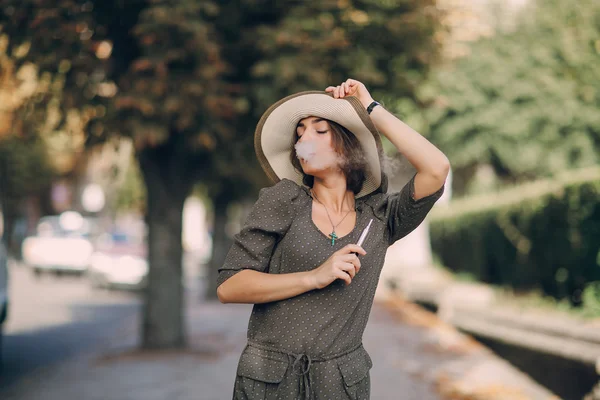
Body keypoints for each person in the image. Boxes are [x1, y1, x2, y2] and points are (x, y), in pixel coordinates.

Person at [217, 79, 450, 400]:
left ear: (348, 147)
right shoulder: (283, 200)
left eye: (319, 131)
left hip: (340, 385)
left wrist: (370, 109)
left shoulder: (381, 216)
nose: (304, 140)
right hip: (269, 383)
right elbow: (230, 287)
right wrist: (314, 277)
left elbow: (437, 168)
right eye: (299, 134)